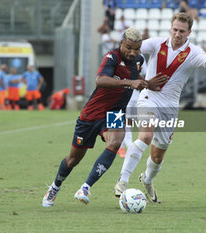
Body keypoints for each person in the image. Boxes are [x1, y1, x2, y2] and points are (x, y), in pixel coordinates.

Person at [114, 13, 206, 202]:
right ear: (170, 28)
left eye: (181, 31)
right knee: (145, 136)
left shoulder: (193, 52)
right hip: (149, 98)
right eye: (174, 29)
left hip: (170, 107)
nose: (177, 34)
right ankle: (122, 181)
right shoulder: (156, 44)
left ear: (189, 32)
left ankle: (147, 180)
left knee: (157, 156)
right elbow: (131, 49)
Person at [42, 28, 168, 207]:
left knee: (116, 142)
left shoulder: (138, 61)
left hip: (115, 111)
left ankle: (85, 188)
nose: (133, 53)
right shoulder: (112, 57)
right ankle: (55, 186)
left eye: (137, 49)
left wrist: (147, 83)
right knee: (73, 159)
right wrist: (130, 83)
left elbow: (133, 76)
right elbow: (100, 80)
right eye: (129, 48)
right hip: (92, 114)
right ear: (121, 43)